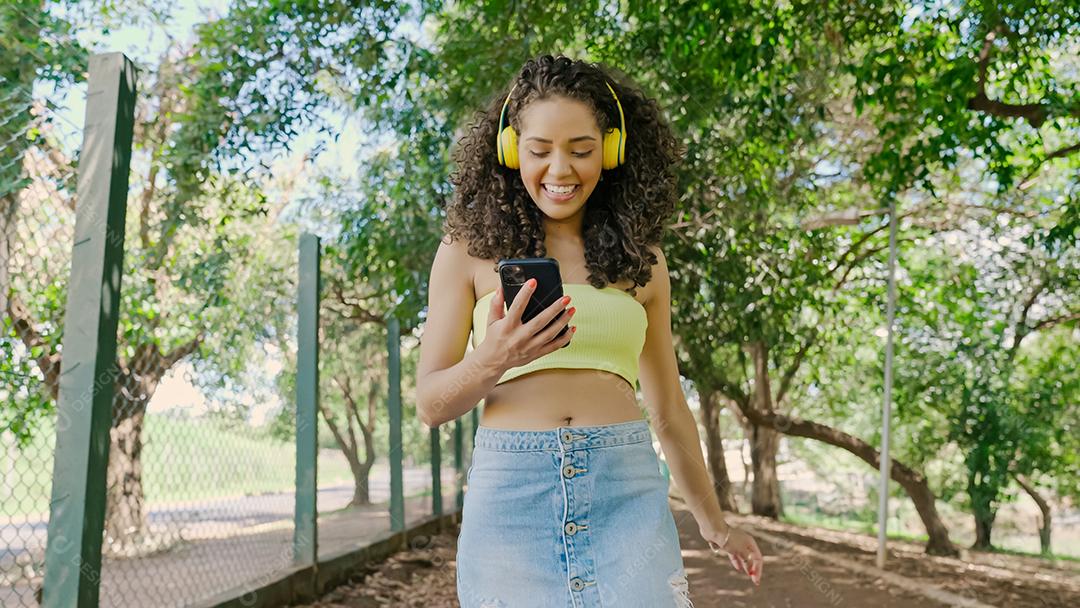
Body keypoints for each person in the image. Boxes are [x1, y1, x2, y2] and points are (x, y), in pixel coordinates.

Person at [417, 54, 763, 608]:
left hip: (624, 485)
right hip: (511, 494)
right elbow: (431, 406)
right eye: (539, 151)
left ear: (613, 149)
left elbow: (670, 411)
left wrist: (717, 526)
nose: (560, 171)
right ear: (510, 151)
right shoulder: (466, 252)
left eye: (581, 151)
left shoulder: (642, 261)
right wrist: (494, 357)